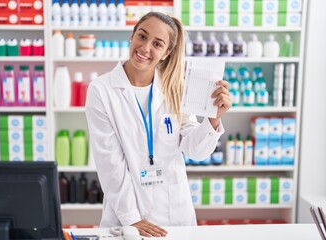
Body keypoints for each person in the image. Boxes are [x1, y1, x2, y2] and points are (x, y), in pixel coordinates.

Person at [85, 11, 231, 237]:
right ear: (132, 36)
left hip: (173, 214)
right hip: (126, 216)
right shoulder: (102, 90)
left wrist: (213, 119)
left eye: (157, 44)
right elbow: (110, 163)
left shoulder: (175, 87)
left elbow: (196, 150)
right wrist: (132, 218)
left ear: (166, 53)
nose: (145, 48)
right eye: (142, 37)